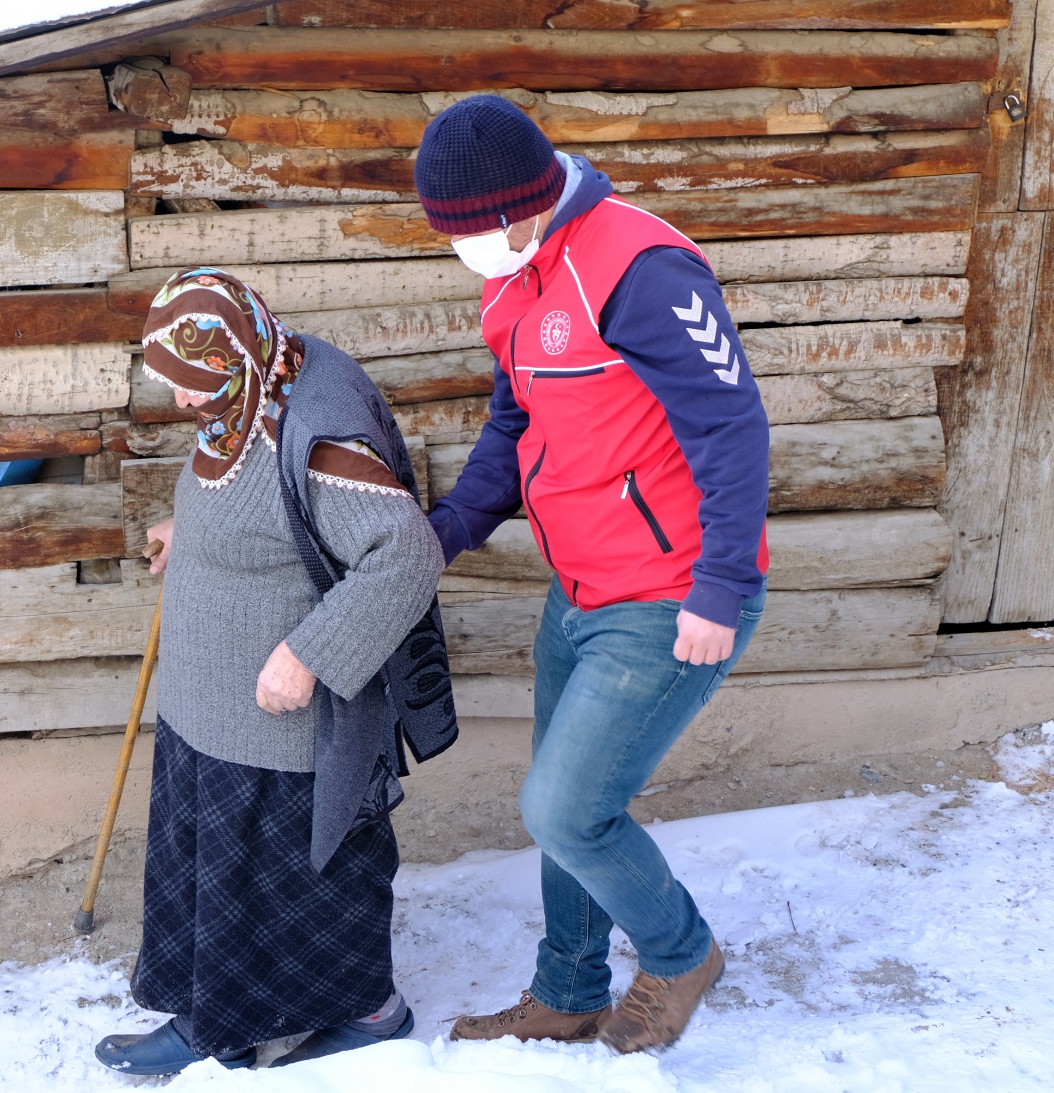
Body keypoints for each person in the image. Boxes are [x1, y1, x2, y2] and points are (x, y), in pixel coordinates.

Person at [412, 96, 770, 1054]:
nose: (460, 250)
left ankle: (682, 951)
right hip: (576, 588)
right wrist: (451, 528)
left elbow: (732, 425)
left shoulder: (640, 268)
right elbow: (515, 423)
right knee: (567, 804)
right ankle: (569, 989)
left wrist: (720, 585)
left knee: (564, 808)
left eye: (466, 230)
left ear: (520, 207)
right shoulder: (513, 280)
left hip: (669, 592)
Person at [94, 268, 455, 1075]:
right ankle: (214, 1016)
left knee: (280, 876)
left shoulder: (319, 428)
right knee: (214, 866)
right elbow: (260, 499)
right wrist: (192, 528)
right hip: (207, 704)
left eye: (194, 382)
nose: (182, 400)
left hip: (272, 721)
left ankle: (366, 1014)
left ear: (237, 353)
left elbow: (405, 554)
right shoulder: (256, 376)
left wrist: (311, 654)